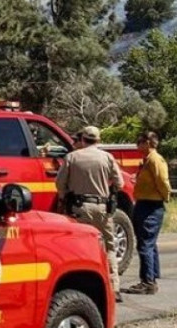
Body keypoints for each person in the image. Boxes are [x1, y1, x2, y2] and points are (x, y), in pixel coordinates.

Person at [56, 125, 123, 301]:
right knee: (109, 246)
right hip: (103, 209)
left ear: (83, 139)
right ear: (98, 140)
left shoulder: (72, 157)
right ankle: (114, 287)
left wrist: (64, 197)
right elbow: (120, 183)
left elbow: (60, 184)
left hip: (79, 208)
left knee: (79, 247)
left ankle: (83, 286)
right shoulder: (107, 157)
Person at [124, 131, 171, 296]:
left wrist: (165, 197)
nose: (137, 145)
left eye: (139, 142)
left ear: (148, 143)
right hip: (144, 203)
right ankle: (152, 276)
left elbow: (162, 181)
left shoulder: (155, 160)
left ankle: (148, 282)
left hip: (151, 205)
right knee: (149, 243)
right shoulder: (147, 160)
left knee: (145, 244)